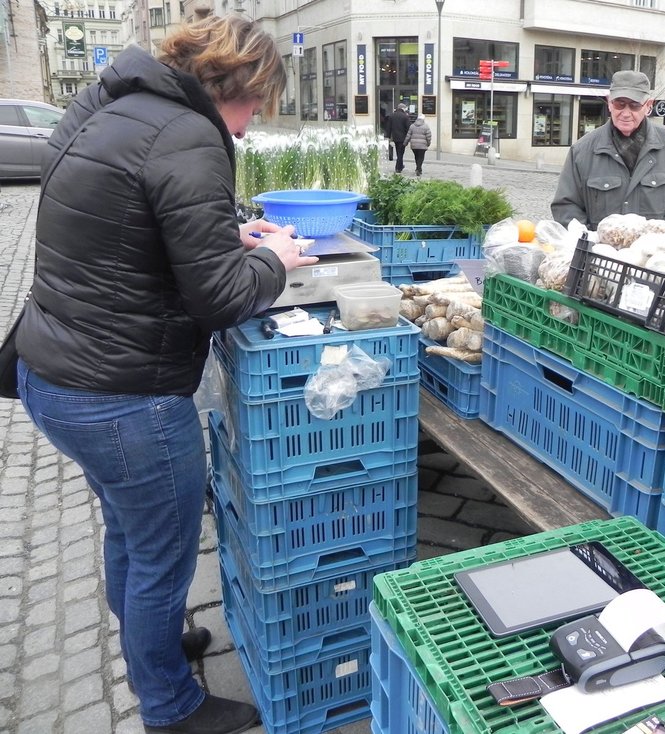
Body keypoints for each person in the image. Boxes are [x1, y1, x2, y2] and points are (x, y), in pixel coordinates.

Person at [15, 16, 318, 734]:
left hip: (56, 374)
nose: (246, 130)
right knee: (162, 554)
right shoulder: (187, 133)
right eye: (253, 107)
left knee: (130, 533)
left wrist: (221, 232)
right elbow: (218, 297)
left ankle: (151, 646)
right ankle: (172, 706)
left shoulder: (113, 108)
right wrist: (278, 260)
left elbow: (129, 226)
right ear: (235, 85)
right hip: (124, 400)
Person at [551, 69, 665, 232]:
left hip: (653, 253)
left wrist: (658, 236)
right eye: (619, 104)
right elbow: (565, 206)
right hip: (598, 253)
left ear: (648, 105)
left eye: (634, 105)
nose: (626, 113)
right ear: (609, 103)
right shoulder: (582, 151)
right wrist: (592, 241)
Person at [388, 102, 411, 174]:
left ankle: (400, 165)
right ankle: (398, 167)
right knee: (401, 153)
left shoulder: (392, 115)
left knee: (398, 152)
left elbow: (388, 127)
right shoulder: (405, 116)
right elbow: (408, 128)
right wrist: (409, 137)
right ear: (403, 108)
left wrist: (388, 136)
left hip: (395, 137)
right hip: (403, 138)